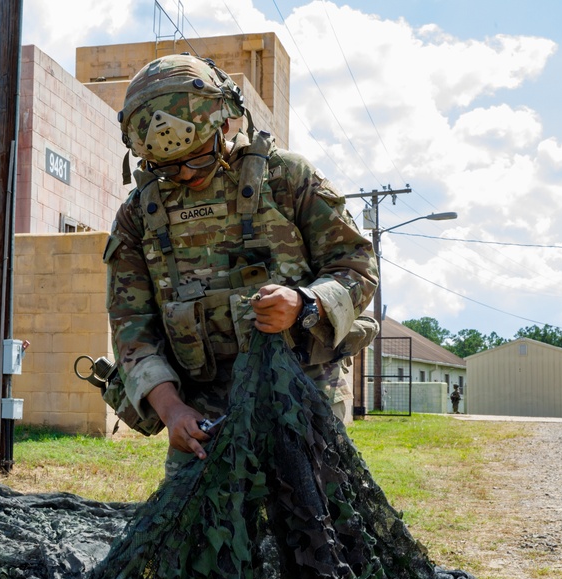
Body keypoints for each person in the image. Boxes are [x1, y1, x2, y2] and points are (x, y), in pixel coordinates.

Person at [105, 53, 378, 472]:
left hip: (303, 392)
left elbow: (357, 265)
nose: (185, 176)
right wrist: (172, 409)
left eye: (196, 159)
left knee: (307, 526)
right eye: (167, 167)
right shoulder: (138, 214)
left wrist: (307, 303)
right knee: (199, 532)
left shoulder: (287, 178)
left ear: (225, 122)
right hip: (201, 413)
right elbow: (131, 325)